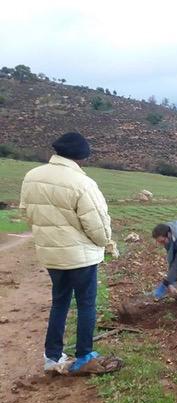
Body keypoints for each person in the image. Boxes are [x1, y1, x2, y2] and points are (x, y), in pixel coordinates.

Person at [20, 132, 122, 375]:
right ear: (81, 158)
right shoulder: (82, 183)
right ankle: (84, 354)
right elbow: (98, 228)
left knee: (60, 302)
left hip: (52, 256)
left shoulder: (32, 177)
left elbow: (26, 213)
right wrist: (106, 243)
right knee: (86, 304)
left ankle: (52, 356)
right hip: (81, 257)